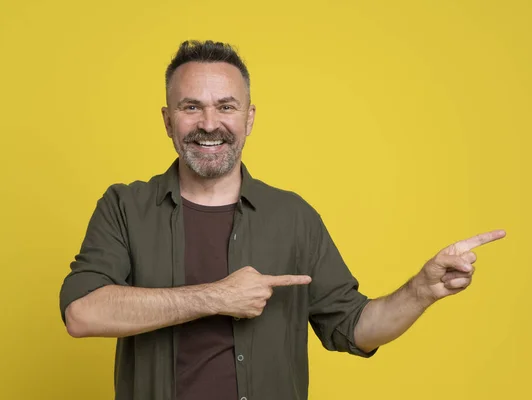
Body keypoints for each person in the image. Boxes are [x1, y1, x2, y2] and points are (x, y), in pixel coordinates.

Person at [59, 40, 506, 400]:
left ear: (249, 118)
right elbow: (82, 312)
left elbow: (354, 328)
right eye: (191, 106)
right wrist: (218, 297)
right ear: (167, 120)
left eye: (227, 107)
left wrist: (421, 291)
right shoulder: (124, 207)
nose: (209, 123)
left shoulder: (293, 217)